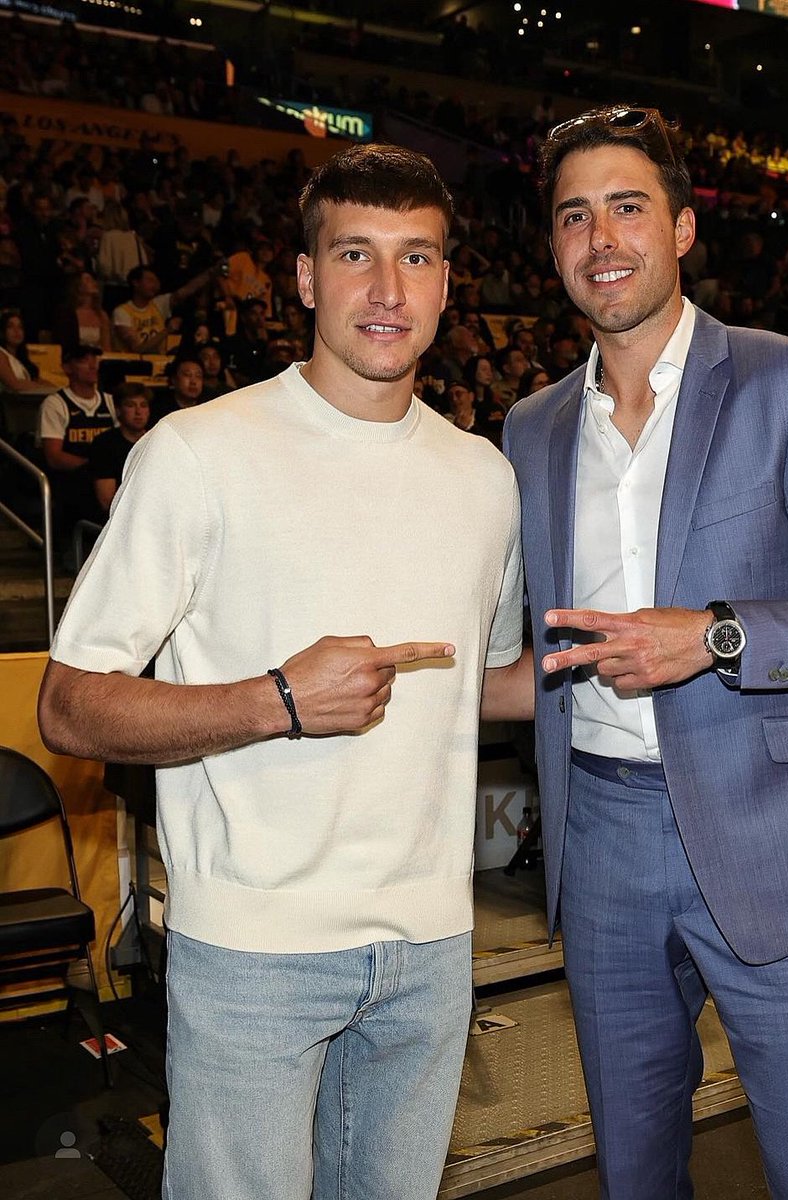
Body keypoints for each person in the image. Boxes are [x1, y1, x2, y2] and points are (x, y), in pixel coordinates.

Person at [37, 143, 524, 1200]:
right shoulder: (199, 451)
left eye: (418, 259)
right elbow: (68, 704)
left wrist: (659, 656)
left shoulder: (485, 480)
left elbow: (482, 683)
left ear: (448, 281)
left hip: (431, 949)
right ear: (306, 278)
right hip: (253, 952)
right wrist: (277, 702)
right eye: (357, 254)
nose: (388, 291)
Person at [501, 105, 788, 1200]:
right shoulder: (530, 427)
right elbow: (530, 651)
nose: (602, 238)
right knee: (635, 1175)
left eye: (628, 208)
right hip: (599, 841)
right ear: (554, 247)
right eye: (574, 215)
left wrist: (717, 636)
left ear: (684, 229)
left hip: (772, 836)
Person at [37, 342, 116, 534]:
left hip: (107, 476)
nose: (92, 365)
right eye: (84, 361)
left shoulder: (110, 401)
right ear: (67, 367)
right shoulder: (55, 404)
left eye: (95, 360)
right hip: (72, 480)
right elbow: (54, 457)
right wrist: (94, 467)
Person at [89, 382, 151, 514]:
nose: (138, 412)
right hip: (119, 519)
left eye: (143, 405)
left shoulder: (156, 440)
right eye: (130, 405)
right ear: (118, 411)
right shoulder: (104, 444)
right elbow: (106, 502)